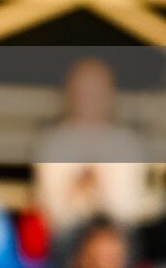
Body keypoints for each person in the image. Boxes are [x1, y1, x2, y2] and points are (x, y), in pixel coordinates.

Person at [34, 58, 149, 268]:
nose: (90, 100)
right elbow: (53, 211)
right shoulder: (54, 143)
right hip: (70, 236)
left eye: (96, 92)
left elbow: (129, 209)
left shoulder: (126, 142)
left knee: (110, 244)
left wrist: (101, 185)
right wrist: (78, 187)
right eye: (83, 92)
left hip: (118, 233)